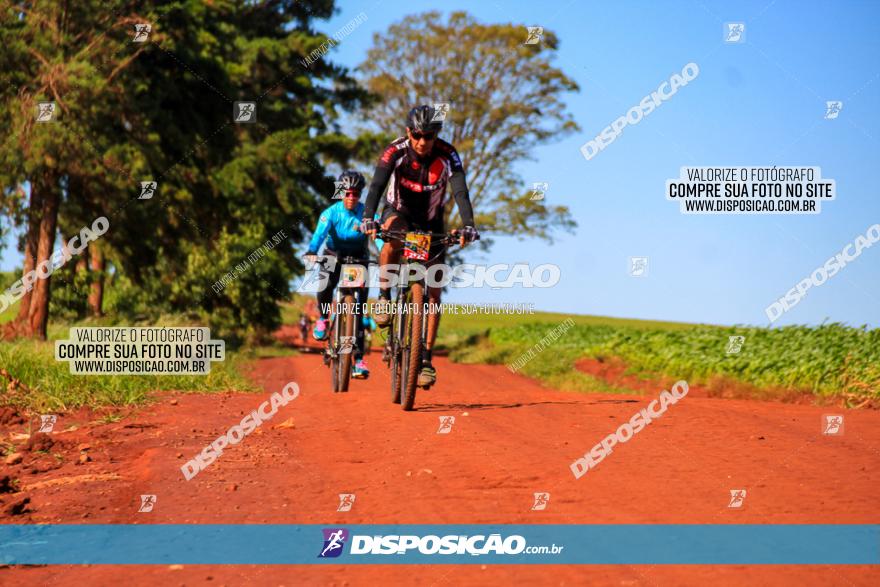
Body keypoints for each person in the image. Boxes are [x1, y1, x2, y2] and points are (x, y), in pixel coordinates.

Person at [360, 105, 479, 387]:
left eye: (429, 135)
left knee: (434, 291)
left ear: (437, 135)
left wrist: (469, 225)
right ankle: (385, 297)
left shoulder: (448, 154)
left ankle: (425, 358)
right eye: (417, 135)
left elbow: (460, 190)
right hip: (398, 213)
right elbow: (376, 186)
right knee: (391, 235)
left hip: (432, 222)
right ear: (408, 132)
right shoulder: (395, 151)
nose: (423, 142)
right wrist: (368, 218)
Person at [305, 170, 371, 379]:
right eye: (348, 193)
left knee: (359, 309)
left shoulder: (368, 214)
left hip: (359, 257)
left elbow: (379, 236)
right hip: (333, 254)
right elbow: (319, 235)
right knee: (325, 286)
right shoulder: (330, 213)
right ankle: (323, 319)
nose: (352, 198)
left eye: (356, 194)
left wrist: (388, 250)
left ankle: (359, 360)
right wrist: (312, 251)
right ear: (341, 193)